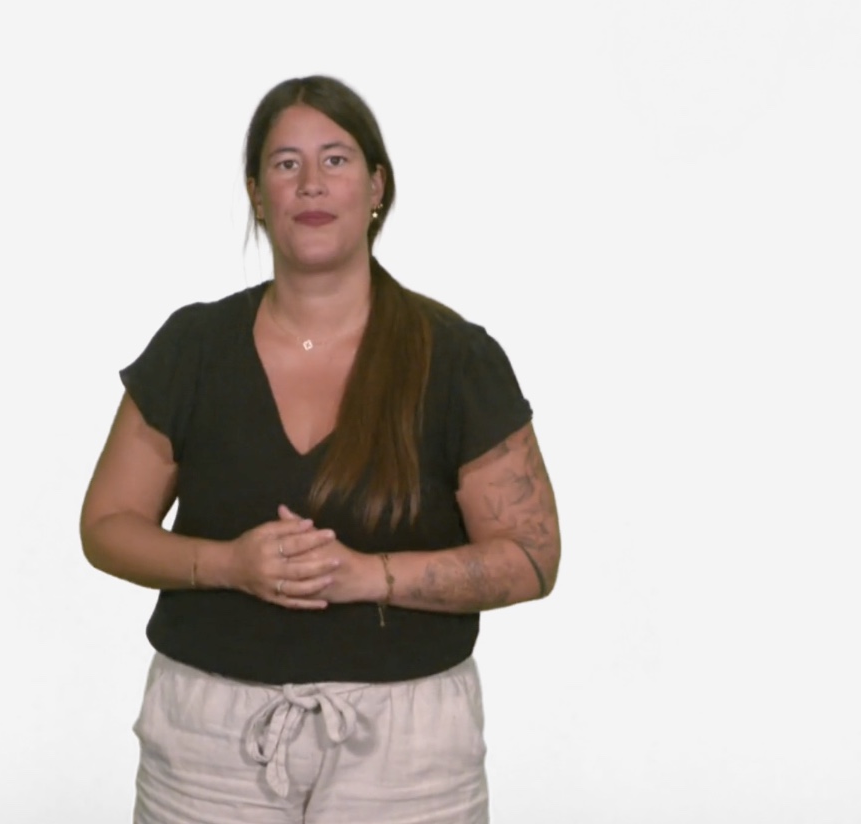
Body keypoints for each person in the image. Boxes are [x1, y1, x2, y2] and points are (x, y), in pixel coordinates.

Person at [79, 75, 560, 824]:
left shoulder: (457, 358)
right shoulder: (194, 347)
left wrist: (369, 576)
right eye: (286, 163)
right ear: (256, 194)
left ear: (377, 187)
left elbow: (532, 556)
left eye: (335, 160)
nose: (311, 182)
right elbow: (107, 525)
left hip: (408, 752)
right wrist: (230, 564)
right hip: (208, 743)